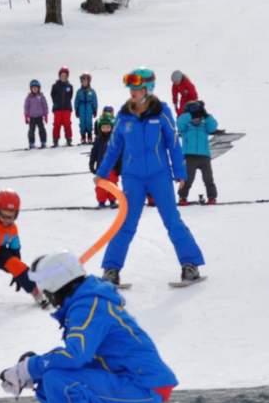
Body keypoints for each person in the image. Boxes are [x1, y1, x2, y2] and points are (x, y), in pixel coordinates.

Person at [0, 252, 177, 403]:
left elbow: (75, 355)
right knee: (48, 383)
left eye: (45, 289)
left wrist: (31, 368)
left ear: (55, 286)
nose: (47, 296)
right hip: (131, 383)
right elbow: (85, 358)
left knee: (58, 382)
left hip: (142, 387)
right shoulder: (87, 300)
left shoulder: (88, 305)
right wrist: (35, 369)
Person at [94, 67, 205, 286]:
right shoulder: (124, 115)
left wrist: (180, 172)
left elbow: (173, 143)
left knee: (172, 220)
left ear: (148, 89)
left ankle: (190, 265)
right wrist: (101, 173)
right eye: (131, 88)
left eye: (136, 88)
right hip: (132, 178)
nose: (132, 92)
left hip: (159, 176)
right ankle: (111, 270)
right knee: (126, 223)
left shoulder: (161, 111)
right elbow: (114, 148)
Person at [176, 99, 220, 205]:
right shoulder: (185, 127)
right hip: (190, 156)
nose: (197, 120)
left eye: (198, 117)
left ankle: (212, 197)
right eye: (194, 118)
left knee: (208, 178)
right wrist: (189, 115)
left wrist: (205, 115)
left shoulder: (204, 126)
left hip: (204, 156)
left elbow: (213, 126)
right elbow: (180, 123)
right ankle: (182, 197)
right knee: (188, 178)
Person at [88, 107, 120, 208]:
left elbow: (119, 154)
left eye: (108, 127)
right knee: (100, 186)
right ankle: (101, 201)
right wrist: (91, 163)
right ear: (100, 128)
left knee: (112, 184)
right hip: (101, 168)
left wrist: (119, 167)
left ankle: (112, 200)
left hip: (112, 168)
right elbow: (94, 152)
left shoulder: (115, 140)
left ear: (111, 127)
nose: (105, 129)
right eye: (103, 127)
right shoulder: (98, 139)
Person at [50, 67, 74, 146]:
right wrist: (56, 103)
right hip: (57, 109)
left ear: (67, 76)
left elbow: (70, 96)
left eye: (65, 75)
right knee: (56, 125)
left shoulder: (70, 86)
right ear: (59, 76)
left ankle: (69, 139)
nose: (63, 76)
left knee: (67, 124)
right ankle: (55, 140)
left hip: (67, 109)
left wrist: (66, 104)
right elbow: (52, 95)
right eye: (62, 75)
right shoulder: (55, 86)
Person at [24, 79, 49, 150]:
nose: (35, 89)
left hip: (39, 117)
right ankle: (31, 143)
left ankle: (43, 142)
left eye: (36, 88)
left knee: (42, 130)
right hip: (32, 117)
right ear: (31, 89)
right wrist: (26, 115)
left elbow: (45, 106)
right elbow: (26, 107)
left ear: (39, 88)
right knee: (31, 130)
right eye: (33, 88)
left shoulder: (41, 96)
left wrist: (45, 114)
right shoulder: (29, 97)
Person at [74, 73, 99, 145]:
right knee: (82, 123)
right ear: (81, 82)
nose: (84, 82)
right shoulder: (79, 91)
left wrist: (95, 109)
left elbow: (95, 100)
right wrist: (76, 109)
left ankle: (90, 136)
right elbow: (76, 101)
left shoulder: (92, 91)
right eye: (83, 81)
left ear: (88, 81)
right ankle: (83, 137)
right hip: (81, 108)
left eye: (86, 81)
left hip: (89, 108)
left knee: (89, 123)